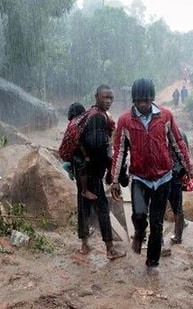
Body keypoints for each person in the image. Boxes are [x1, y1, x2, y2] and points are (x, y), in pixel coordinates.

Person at [110, 78, 193, 268]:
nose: (143, 105)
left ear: (152, 99)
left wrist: (190, 170)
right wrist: (115, 180)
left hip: (163, 178)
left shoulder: (165, 116)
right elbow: (120, 152)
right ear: (134, 100)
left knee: (157, 223)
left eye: (146, 101)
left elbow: (178, 143)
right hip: (140, 179)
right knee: (139, 215)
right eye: (139, 101)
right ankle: (139, 233)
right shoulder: (125, 121)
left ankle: (152, 264)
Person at [77, 85, 125, 260]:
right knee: (103, 209)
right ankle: (110, 249)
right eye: (105, 97)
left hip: (83, 171)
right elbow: (98, 147)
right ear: (96, 96)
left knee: (83, 208)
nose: (108, 101)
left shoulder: (89, 114)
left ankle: (84, 245)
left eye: (111, 98)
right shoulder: (98, 118)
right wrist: (111, 171)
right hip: (92, 172)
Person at [62, 102, 98, 200]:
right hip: (74, 151)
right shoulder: (78, 124)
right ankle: (84, 191)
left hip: (68, 152)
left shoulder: (72, 123)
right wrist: (86, 155)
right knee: (83, 165)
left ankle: (69, 167)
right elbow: (79, 142)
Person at [168, 129, 189, 244]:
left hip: (164, 173)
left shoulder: (160, 131)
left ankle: (175, 236)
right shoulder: (182, 132)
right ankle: (178, 235)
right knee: (178, 206)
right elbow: (186, 154)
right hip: (178, 172)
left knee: (159, 207)